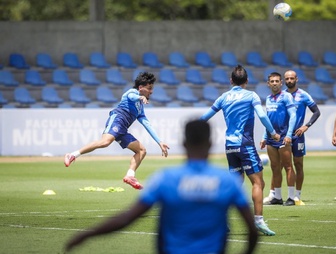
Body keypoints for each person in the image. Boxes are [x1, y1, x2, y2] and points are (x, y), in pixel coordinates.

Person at [65, 120, 259, 253]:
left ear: (183, 143)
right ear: (210, 143)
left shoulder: (166, 179)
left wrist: (87, 234)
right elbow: (251, 230)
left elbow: (127, 218)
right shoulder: (227, 182)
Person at [200, 65, 280, 236]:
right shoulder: (251, 95)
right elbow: (262, 116)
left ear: (231, 81)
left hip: (230, 146)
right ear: (247, 80)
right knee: (258, 183)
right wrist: (273, 133)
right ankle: (258, 221)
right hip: (245, 145)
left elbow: (204, 118)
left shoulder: (223, 97)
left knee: (234, 185)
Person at [64, 72, 170, 190]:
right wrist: (140, 97)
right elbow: (132, 97)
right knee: (105, 142)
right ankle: (72, 155)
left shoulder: (140, 108)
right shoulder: (132, 93)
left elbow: (147, 124)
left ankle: (130, 176)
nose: (151, 91)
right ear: (141, 88)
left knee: (141, 150)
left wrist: (159, 142)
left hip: (123, 129)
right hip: (117, 120)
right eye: (149, 88)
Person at [263, 70, 320, 206]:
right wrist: (266, 135)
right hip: (281, 135)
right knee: (278, 166)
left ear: (296, 79)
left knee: (297, 165)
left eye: (291, 78)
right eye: (287, 78)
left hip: (297, 134)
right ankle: (275, 195)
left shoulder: (303, 95)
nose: (289, 81)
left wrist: (306, 126)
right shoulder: (276, 97)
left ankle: (296, 196)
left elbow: (316, 111)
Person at [260, 72, 297, 206]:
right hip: (271, 139)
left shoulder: (286, 96)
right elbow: (268, 120)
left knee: (288, 166)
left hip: (283, 137)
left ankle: (292, 197)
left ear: (281, 83)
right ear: (268, 83)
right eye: (272, 81)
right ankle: (277, 197)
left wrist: (288, 135)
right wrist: (264, 137)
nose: (274, 83)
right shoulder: (268, 98)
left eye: (277, 81)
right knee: (275, 167)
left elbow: (293, 116)